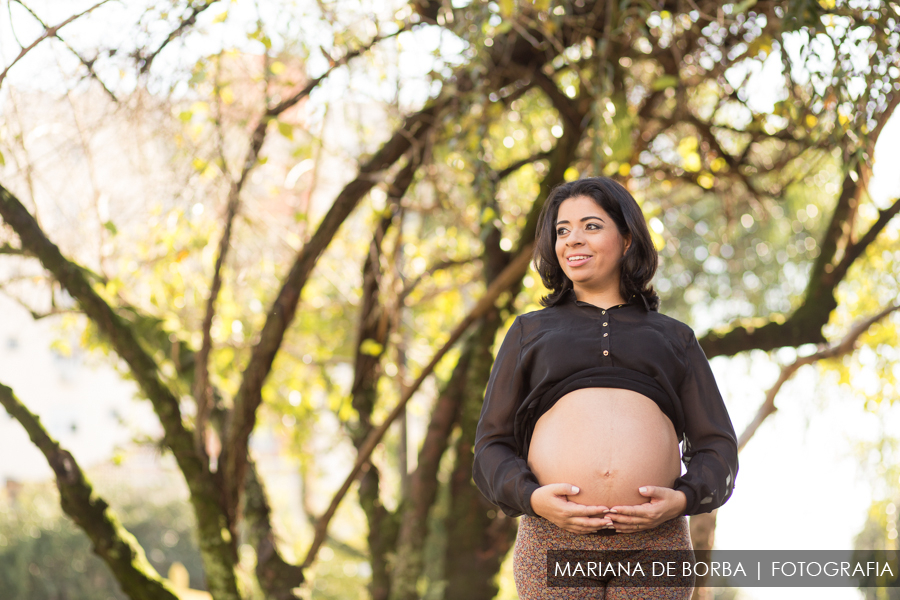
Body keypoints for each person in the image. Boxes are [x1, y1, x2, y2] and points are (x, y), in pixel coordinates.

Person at [472, 177, 738, 599]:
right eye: (562, 230)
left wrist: (683, 500)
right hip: (555, 539)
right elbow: (490, 446)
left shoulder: (674, 338)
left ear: (627, 239)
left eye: (591, 226)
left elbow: (718, 447)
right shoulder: (528, 332)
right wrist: (533, 498)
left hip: (654, 544)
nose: (572, 239)